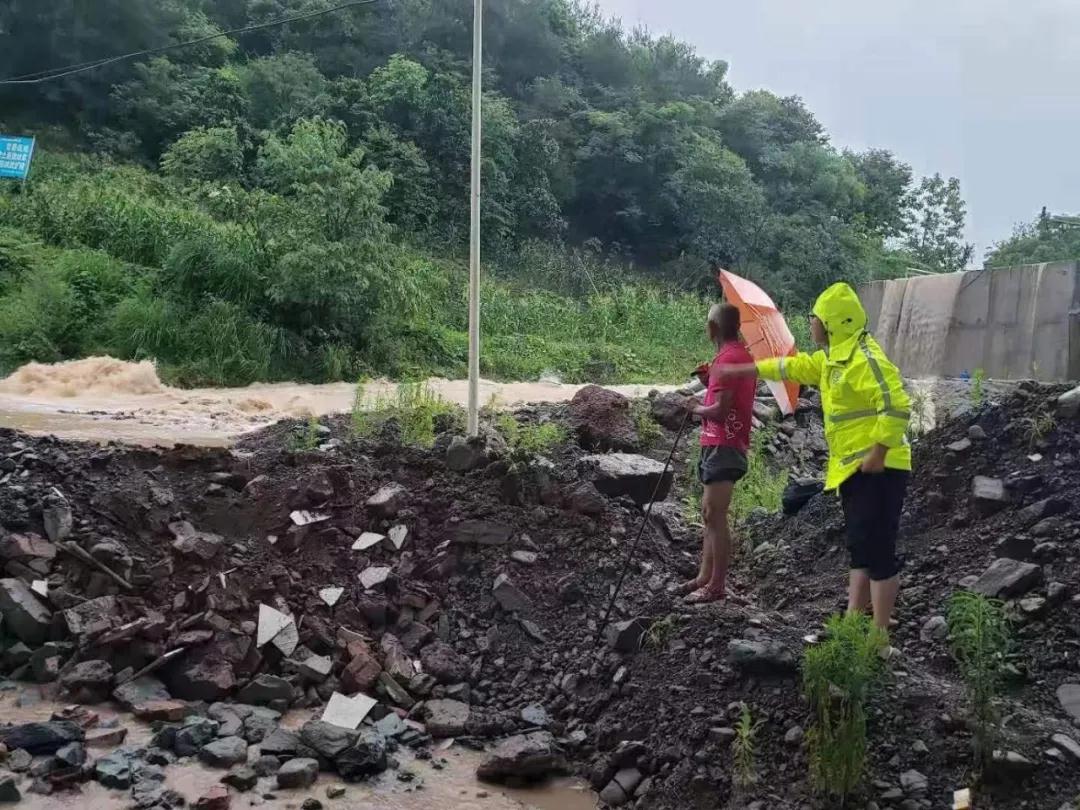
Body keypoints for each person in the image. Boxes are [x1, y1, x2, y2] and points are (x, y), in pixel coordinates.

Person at [719, 282, 911, 640]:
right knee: (859, 546)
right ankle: (854, 624)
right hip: (854, 468)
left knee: (879, 549)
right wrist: (741, 370)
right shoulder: (832, 359)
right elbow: (789, 367)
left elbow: (898, 405)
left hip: (881, 469)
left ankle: (879, 636)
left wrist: (879, 451)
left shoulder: (865, 360)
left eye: (814, 317)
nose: (810, 323)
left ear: (832, 322)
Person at [675, 302, 757, 604]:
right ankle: (704, 576)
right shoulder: (732, 357)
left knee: (715, 514)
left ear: (713, 328)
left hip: (725, 442)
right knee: (710, 514)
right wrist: (709, 381)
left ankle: (716, 585)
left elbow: (721, 412)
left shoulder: (729, 359)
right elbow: (727, 398)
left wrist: (693, 407)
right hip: (718, 442)